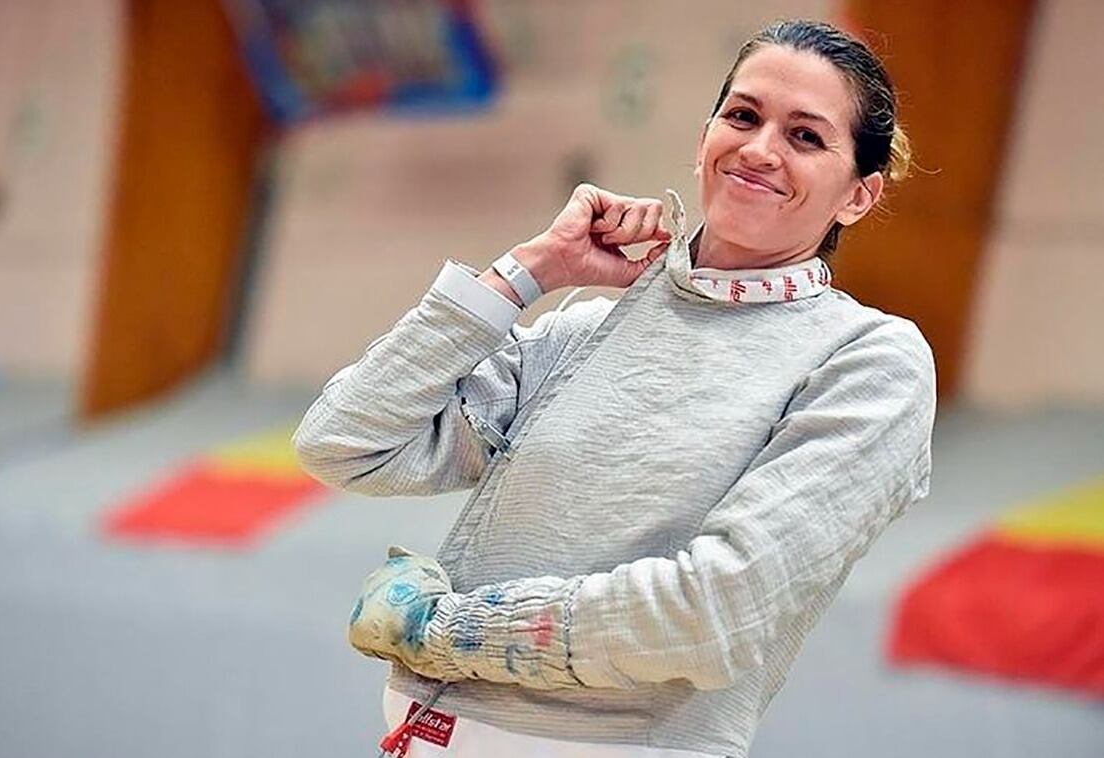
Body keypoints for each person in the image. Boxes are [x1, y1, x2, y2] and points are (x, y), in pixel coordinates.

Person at [293, 19, 936, 758]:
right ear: (704, 140)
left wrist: (448, 633)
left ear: (858, 195)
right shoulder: (586, 331)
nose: (760, 150)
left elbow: (712, 614)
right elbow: (344, 442)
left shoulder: (866, 360)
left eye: (806, 137)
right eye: (744, 116)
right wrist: (525, 274)